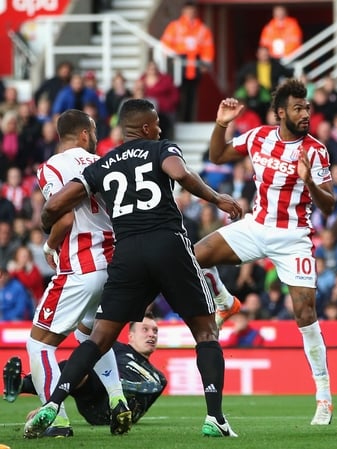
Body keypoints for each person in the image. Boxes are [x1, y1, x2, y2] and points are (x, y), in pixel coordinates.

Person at [25, 98, 242, 438]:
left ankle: (53, 403)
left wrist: (45, 225)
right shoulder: (160, 148)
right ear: (145, 127)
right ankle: (215, 418)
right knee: (205, 332)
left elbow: (57, 204)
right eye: (156, 124)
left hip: (127, 256)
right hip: (167, 244)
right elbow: (180, 174)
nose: (159, 129)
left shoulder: (104, 163)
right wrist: (218, 199)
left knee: (98, 339)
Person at [193, 79, 336, 425]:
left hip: (293, 237)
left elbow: (329, 207)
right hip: (256, 227)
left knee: (304, 313)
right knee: (193, 256)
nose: (306, 114)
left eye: (308, 108)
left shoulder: (315, 151)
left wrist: (310, 182)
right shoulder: (259, 137)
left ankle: (324, 397)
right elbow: (217, 155)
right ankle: (226, 302)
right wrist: (222, 123)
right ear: (282, 112)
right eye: (299, 108)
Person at [20, 109, 128, 438]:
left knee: (39, 344)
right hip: (115, 265)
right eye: (92, 131)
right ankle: (118, 399)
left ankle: (57, 420)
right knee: (89, 336)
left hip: (82, 264)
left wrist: (50, 247)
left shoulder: (53, 166)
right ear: (84, 134)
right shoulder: (104, 163)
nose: (94, 136)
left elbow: (63, 219)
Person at [4, 315, 167, 431]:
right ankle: (24, 386)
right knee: (77, 368)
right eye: (145, 329)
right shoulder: (115, 347)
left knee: (80, 369)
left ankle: (37, 395)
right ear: (130, 335)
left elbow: (142, 406)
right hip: (94, 394)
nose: (151, 334)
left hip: (116, 411)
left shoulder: (158, 377)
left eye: (155, 331)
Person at [160, 0, 215, 122]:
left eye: (193, 11)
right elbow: (165, 45)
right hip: (178, 62)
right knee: (177, 93)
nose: (190, 13)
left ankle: (189, 120)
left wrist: (205, 64)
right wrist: (172, 58)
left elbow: (208, 48)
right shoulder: (174, 26)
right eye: (188, 10)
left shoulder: (202, 28)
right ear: (183, 11)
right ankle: (177, 119)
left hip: (195, 64)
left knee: (192, 94)